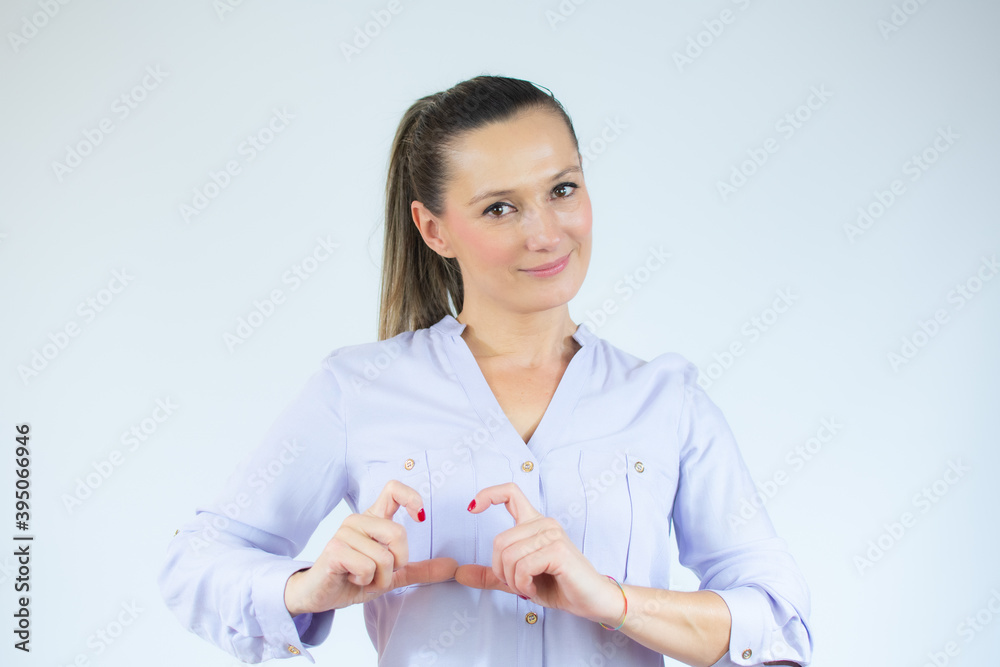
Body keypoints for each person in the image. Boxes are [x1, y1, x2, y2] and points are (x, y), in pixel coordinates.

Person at [158, 74, 813, 667]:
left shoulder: (665, 401)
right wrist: (307, 587)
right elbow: (195, 562)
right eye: (500, 208)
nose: (546, 233)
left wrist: (612, 600)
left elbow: (779, 620)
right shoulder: (356, 390)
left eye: (563, 189)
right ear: (434, 228)